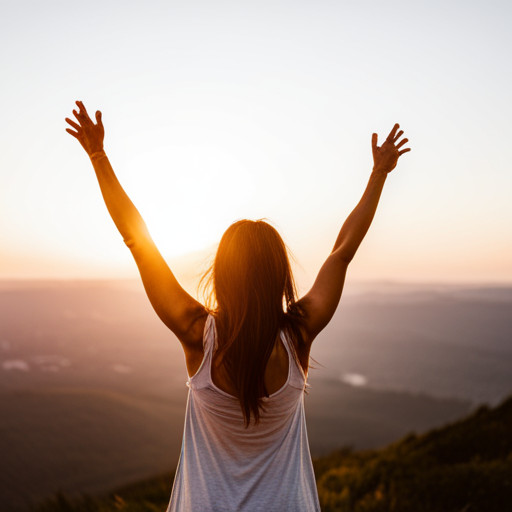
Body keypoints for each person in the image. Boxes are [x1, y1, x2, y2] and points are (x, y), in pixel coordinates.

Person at [65, 101, 410, 511]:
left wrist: (98, 156)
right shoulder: (298, 336)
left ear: (222, 275)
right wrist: (378, 175)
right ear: (279, 274)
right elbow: (341, 254)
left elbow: (138, 243)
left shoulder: (196, 333)